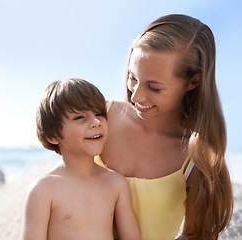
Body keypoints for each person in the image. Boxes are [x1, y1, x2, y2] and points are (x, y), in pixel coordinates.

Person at [95, 14, 233, 240]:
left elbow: (196, 235)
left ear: (193, 82)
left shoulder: (197, 156)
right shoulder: (99, 118)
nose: (136, 95)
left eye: (154, 87)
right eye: (132, 77)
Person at [20, 78, 141, 240]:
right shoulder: (43, 190)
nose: (96, 122)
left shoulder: (116, 183)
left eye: (99, 114)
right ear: (53, 135)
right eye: (79, 117)